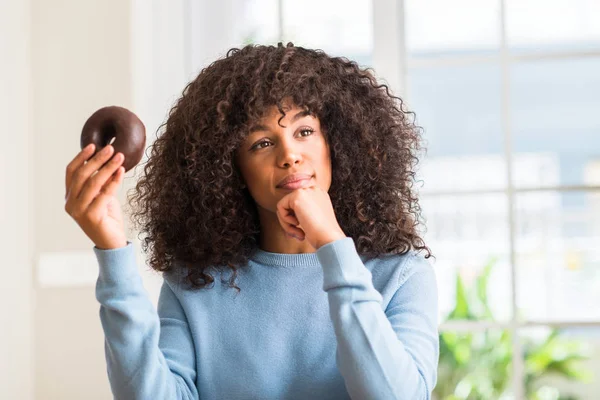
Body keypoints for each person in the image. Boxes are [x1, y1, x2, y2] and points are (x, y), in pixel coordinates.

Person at [64, 42, 439, 400]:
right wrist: (113, 255)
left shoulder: (401, 274)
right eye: (261, 143)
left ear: (336, 145)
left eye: (304, 131)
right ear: (230, 169)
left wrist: (333, 246)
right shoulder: (195, 283)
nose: (290, 154)